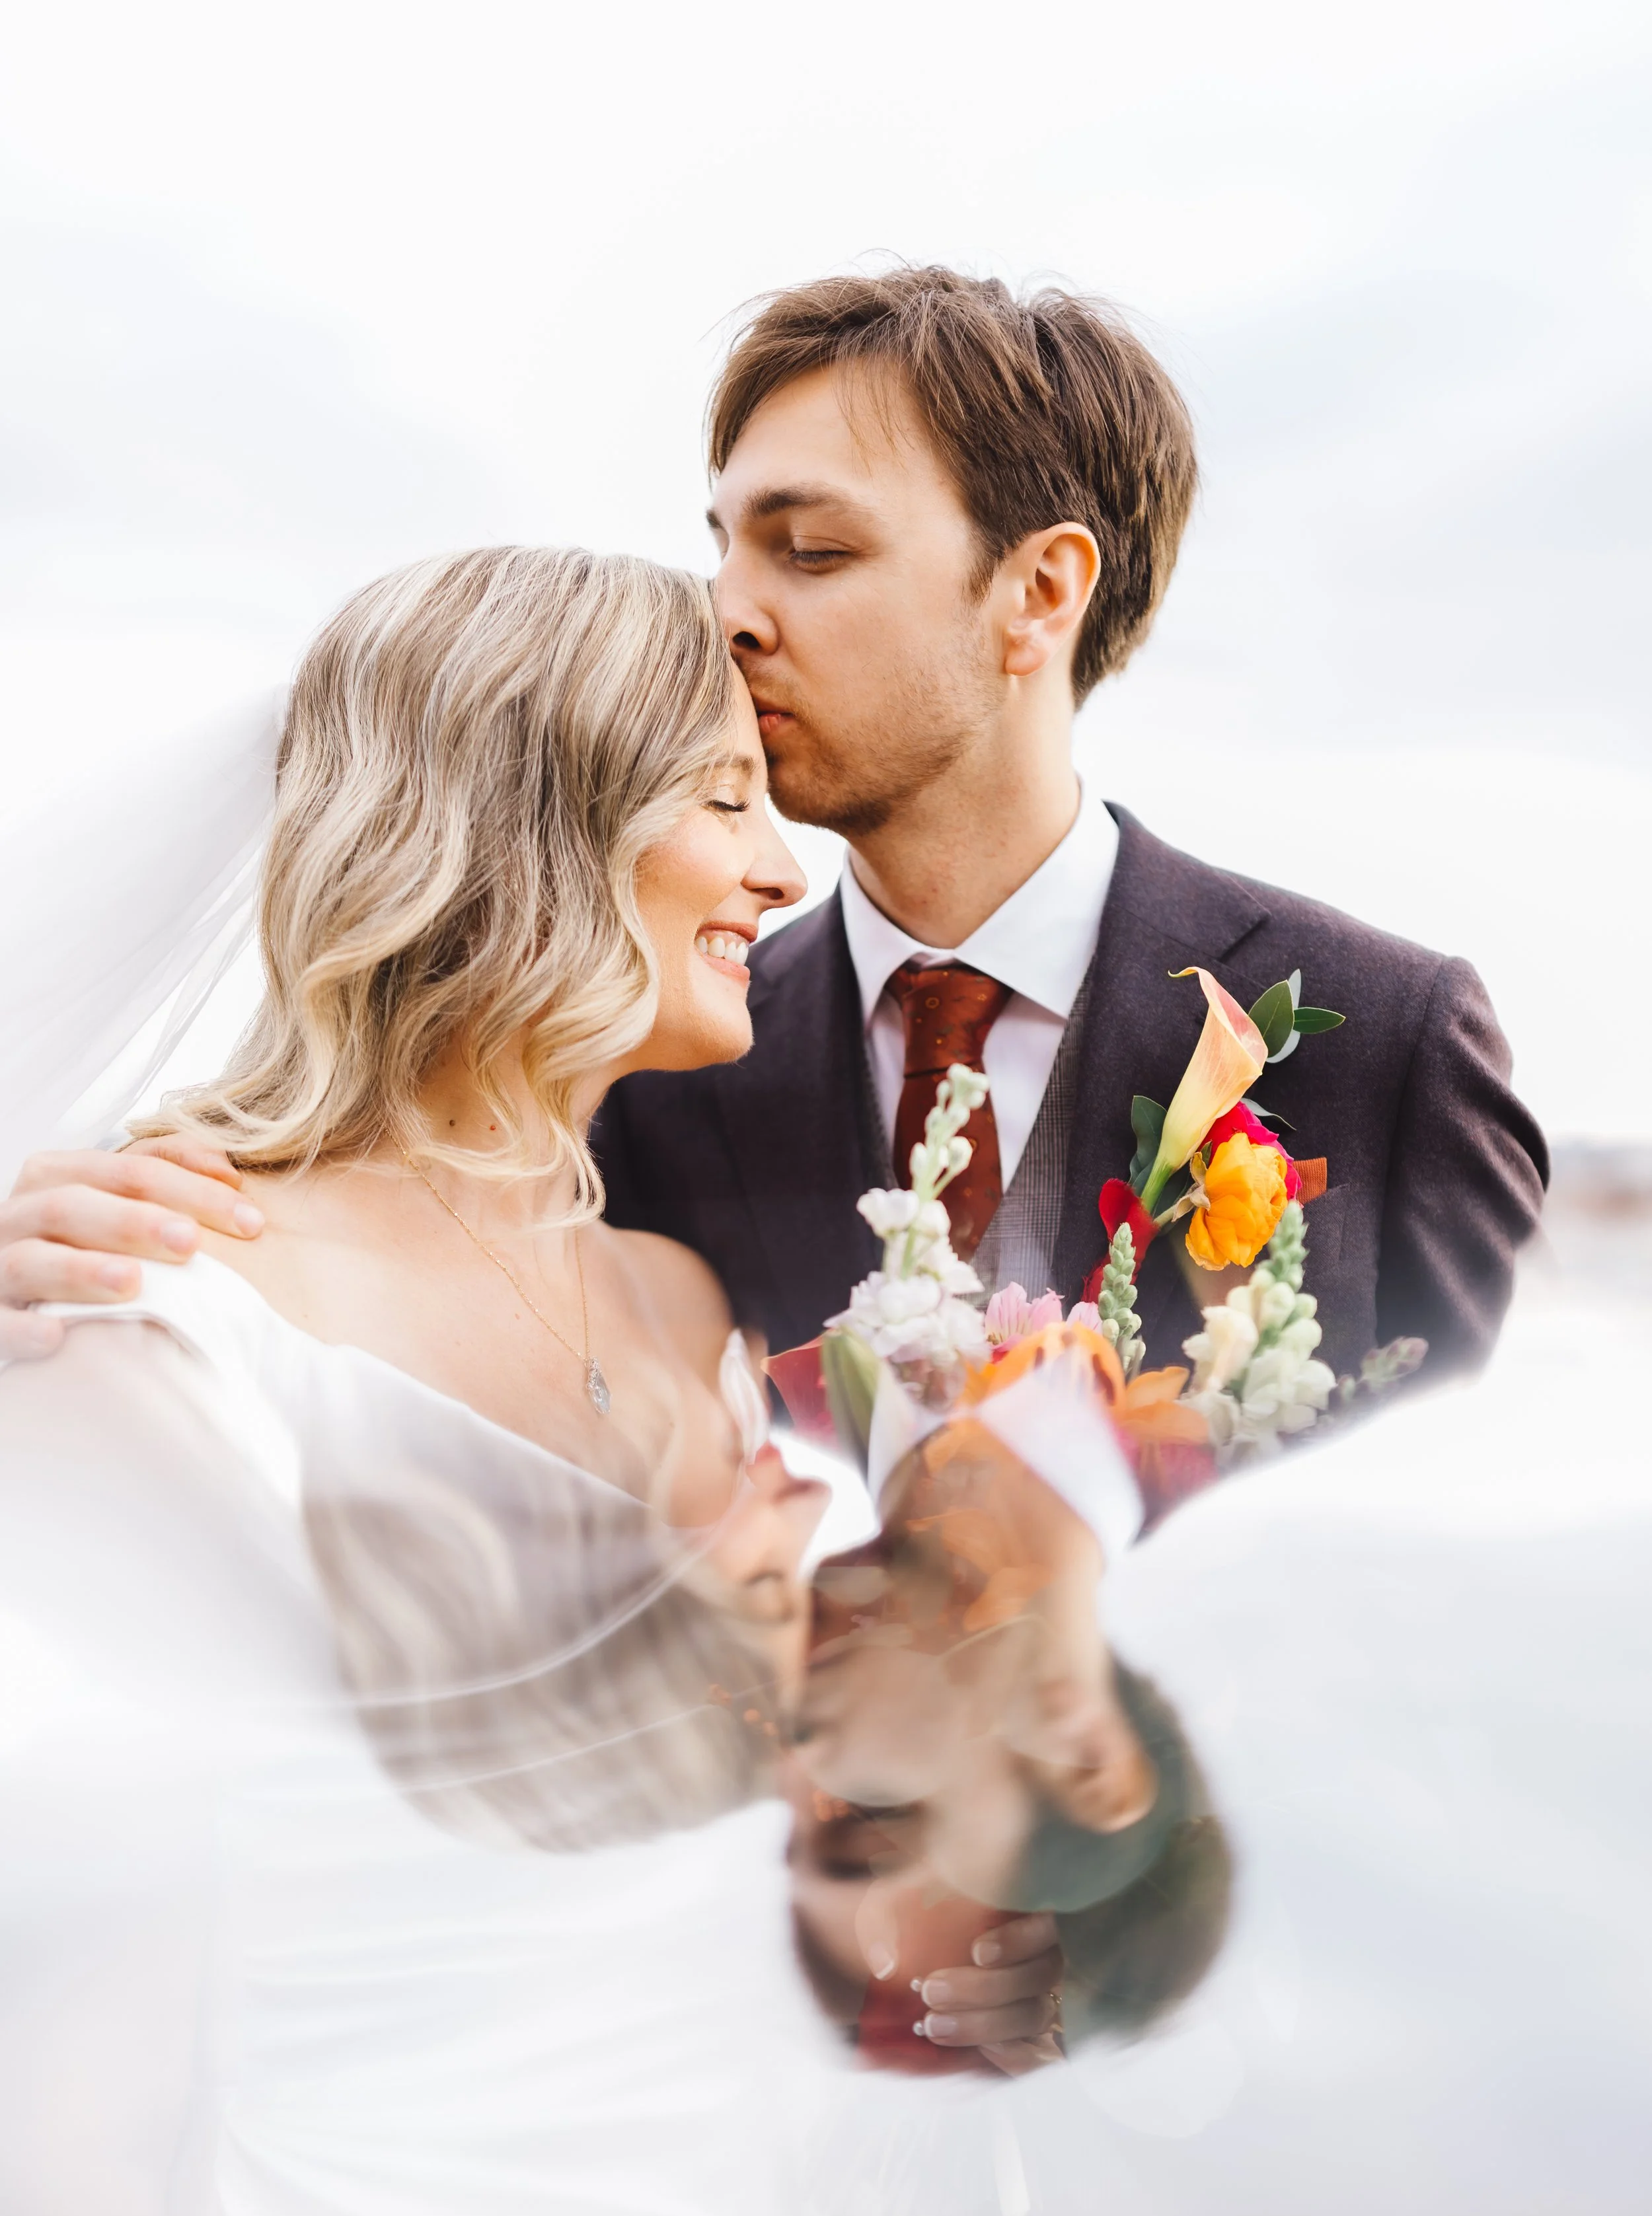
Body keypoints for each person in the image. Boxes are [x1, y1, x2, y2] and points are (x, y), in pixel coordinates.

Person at [0, 544, 1004, 2216]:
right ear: (521, 816)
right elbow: (66, 2120)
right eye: (723, 799)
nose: (781, 870)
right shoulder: (163, 1301)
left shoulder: (699, 1317)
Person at [0, 265, 1546, 1385]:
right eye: (723, 544)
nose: (729, 615)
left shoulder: (1384, 1045)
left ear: (1037, 594)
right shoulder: (640, 1073)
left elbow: (1462, 1584)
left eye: (807, 551)